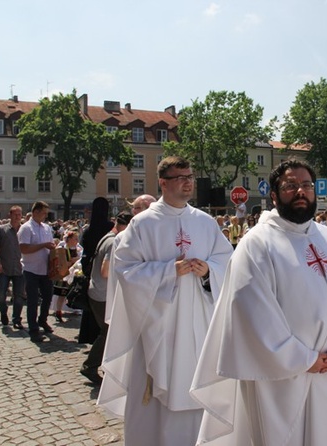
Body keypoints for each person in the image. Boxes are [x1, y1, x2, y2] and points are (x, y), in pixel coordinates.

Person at [191, 158, 327, 445]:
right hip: (283, 376)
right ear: (274, 196)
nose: (300, 191)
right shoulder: (257, 244)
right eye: (291, 186)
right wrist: (304, 359)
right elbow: (252, 313)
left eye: (306, 185)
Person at [98, 156, 232, 445]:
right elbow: (125, 270)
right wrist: (166, 272)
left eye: (190, 176)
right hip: (157, 325)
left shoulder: (204, 222)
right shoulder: (143, 224)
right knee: (157, 401)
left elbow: (226, 261)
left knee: (194, 388)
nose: (187, 182)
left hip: (197, 324)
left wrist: (209, 270)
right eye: (180, 177)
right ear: (162, 182)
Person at [80, 211, 132, 385]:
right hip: (103, 294)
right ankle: (90, 366)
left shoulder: (106, 236)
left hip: (97, 291)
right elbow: (105, 271)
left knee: (108, 331)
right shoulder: (113, 242)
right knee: (109, 332)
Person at [18, 201, 56, 343]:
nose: (46, 216)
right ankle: (33, 329)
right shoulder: (26, 228)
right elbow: (24, 249)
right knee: (33, 301)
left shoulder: (46, 228)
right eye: (44, 213)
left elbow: (50, 246)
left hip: (45, 269)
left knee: (48, 297)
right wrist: (43, 245)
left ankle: (42, 320)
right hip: (31, 269)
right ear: (35, 212)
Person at [78, 197, 113, 344]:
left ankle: (88, 334)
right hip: (104, 268)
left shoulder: (88, 229)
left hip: (90, 269)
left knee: (90, 305)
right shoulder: (109, 227)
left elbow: (83, 247)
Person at [0, 205, 25, 328]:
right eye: (15, 214)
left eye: (19, 214)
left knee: (19, 296)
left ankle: (16, 319)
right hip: (4, 267)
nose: (17, 217)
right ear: (10, 215)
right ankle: (3, 312)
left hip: (20, 268)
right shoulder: (2, 229)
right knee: (0, 294)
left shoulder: (24, 230)